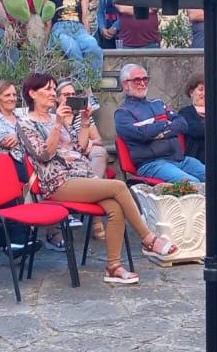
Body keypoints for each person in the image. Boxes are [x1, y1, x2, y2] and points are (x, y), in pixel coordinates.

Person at [17, 73, 177, 283]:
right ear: (32, 93)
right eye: (47, 89)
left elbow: (79, 148)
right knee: (118, 186)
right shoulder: (26, 123)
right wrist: (57, 125)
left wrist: (84, 122)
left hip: (81, 176)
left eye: (53, 89)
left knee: (115, 207)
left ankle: (114, 267)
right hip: (57, 182)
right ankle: (149, 239)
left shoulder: (57, 118)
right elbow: (44, 155)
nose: (52, 93)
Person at [115, 64, 205, 183]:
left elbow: (182, 125)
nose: (142, 84)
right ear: (125, 84)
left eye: (145, 79)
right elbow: (142, 135)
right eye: (137, 80)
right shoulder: (123, 113)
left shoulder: (158, 104)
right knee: (192, 183)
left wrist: (156, 130)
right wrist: (165, 124)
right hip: (152, 163)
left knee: (216, 179)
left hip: (179, 159)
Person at [42, 0, 102, 75]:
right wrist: (45, 43)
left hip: (78, 28)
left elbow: (84, 16)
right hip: (60, 29)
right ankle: (82, 83)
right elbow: (48, 20)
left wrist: (87, 33)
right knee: (72, 47)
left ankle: (94, 81)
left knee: (93, 46)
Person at [57, 79, 108, 181]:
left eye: (73, 94)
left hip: (85, 151)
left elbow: (98, 140)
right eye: (66, 95)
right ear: (57, 98)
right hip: (65, 153)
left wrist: (90, 143)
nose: (71, 97)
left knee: (100, 151)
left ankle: (94, 183)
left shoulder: (82, 115)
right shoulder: (54, 117)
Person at [179, 74, 208, 160]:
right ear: (191, 93)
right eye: (201, 89)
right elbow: (196, 131)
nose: (204, 93)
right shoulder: (185, 112)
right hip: (195, 158)